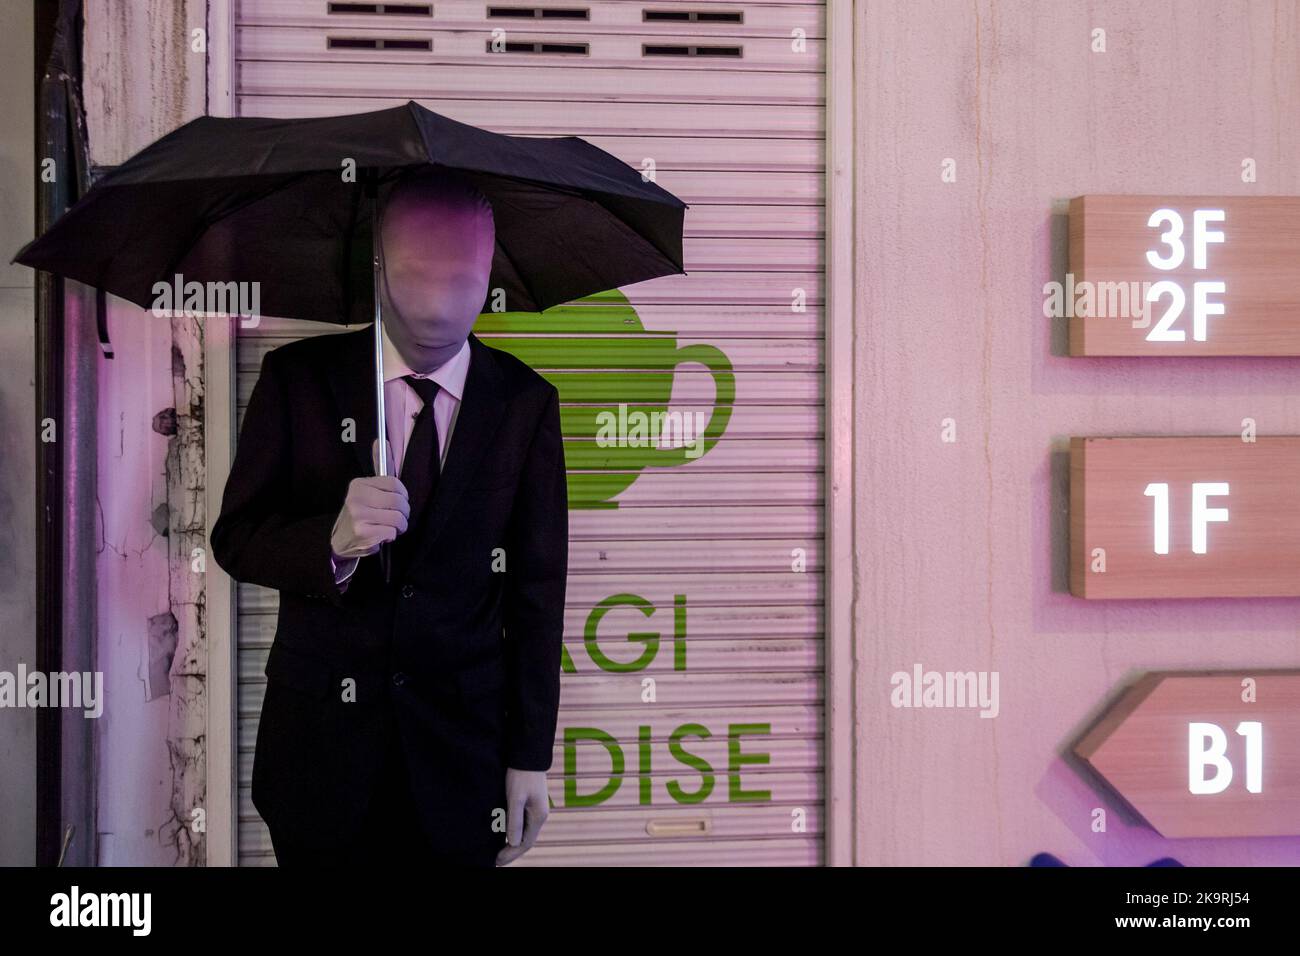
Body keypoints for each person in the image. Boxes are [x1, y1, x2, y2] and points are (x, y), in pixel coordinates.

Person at [210, 168, 568, 867]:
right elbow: (236, 538)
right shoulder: (298, 382)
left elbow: (537, 593)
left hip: (463, 764)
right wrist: (331, 544)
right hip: (320, 764)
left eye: (462, 275)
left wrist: (529, 756)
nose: (439, 305)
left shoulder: (524, 404)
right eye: (414, 271)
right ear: (376, 260)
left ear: (490, 266)